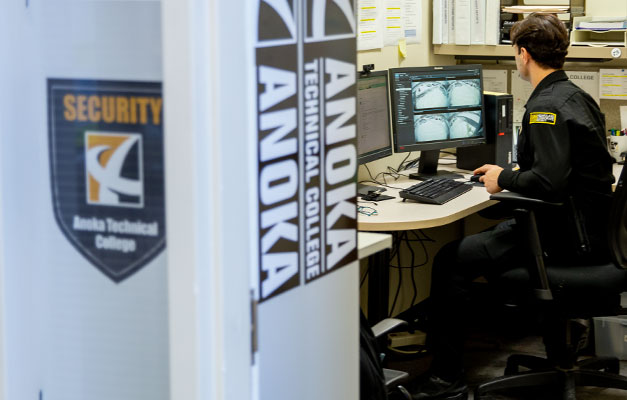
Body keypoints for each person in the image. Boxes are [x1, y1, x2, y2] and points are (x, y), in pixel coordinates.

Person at [412, 13, 615, 400]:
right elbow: (560, 169)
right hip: (589, 231)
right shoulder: (573, 95)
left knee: (450, 261)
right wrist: (510, 172)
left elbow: (547, 182)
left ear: (522, 55)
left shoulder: (546, 108)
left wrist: (502, 179)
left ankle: (446, 380)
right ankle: (554, 349)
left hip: (563, 237)